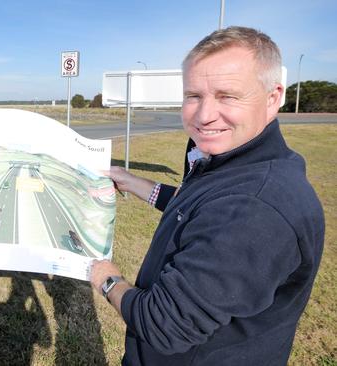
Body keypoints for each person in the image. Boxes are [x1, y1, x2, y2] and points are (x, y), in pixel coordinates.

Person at [90, 26, 325, 365]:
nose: (204, 115)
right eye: (193, 96)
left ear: (273, 98)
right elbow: (196, 209)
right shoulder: (235, 163)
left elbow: (162, 323)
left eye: (227, 95)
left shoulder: (255, 209)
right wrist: (133, 182)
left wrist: (108, 280)